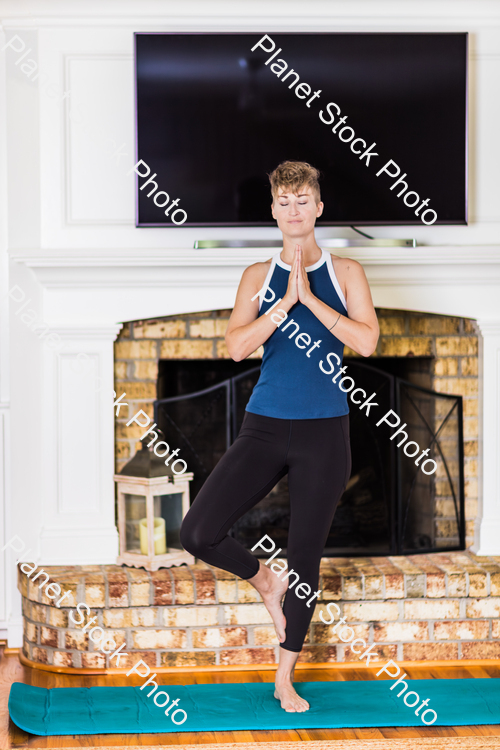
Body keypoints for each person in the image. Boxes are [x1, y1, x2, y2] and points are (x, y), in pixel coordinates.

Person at [180, 161, 379, 712]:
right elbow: (236, 347)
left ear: (319, 207)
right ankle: (266, 581)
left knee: (307, 560)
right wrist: (283, 305)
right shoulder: (255, 276)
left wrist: (312, 301)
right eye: (284, 201)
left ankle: (284, 676)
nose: (294, 209)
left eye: (303, 199)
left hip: (325, 433)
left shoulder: (347, 272)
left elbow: (366, 341)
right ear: (274, 210)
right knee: (197, 530)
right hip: (265, 427)